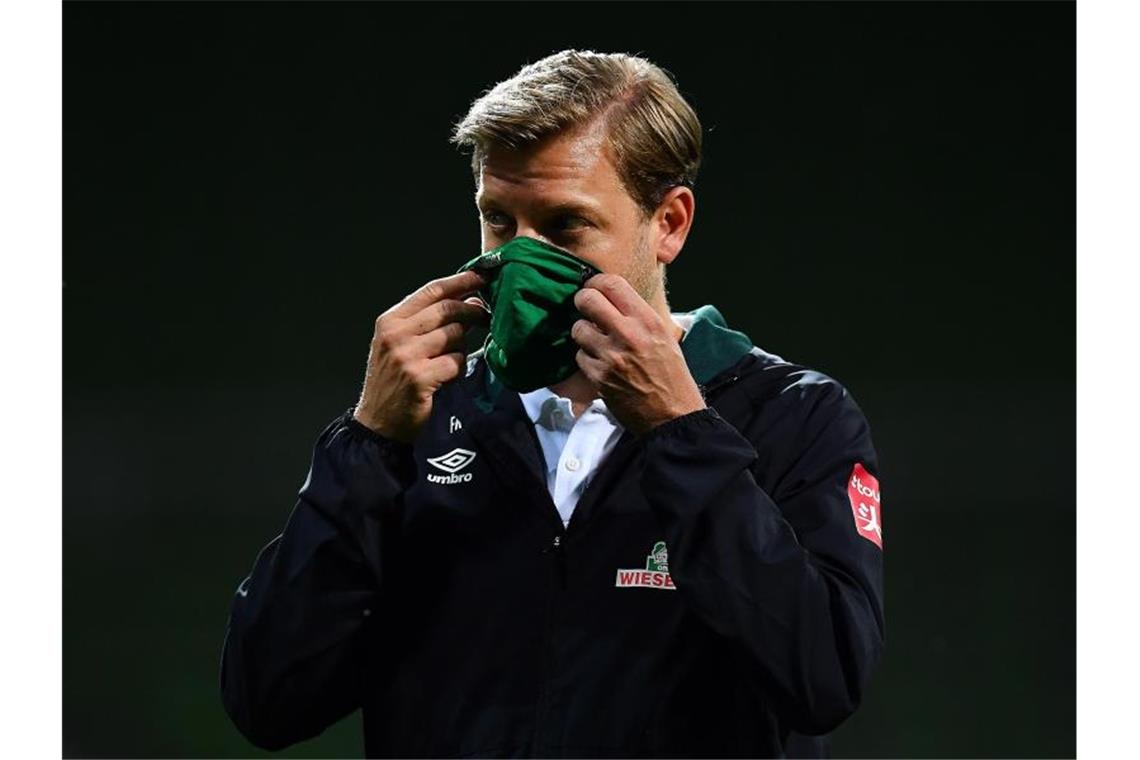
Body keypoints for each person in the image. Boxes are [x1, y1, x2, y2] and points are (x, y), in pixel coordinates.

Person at [219, 49, 884, 759]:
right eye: (498, 221)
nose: (520, 258)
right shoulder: (419, 421)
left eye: (565, 226)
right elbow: (267, 699)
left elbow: (824, 679)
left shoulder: (792, 418)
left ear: (669, 223)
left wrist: (679, 432)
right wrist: (366, 445)